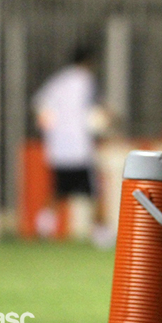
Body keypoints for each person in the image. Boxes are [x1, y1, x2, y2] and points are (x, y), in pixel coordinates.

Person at [32, 45, 111, 243]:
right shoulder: (86, 80)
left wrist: (50, 130)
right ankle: (102, 235)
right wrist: (107, 118)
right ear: (88, 62)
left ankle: (43, 228)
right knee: (95, 193)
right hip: (79, 147)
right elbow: (95, 113)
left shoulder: (58, 81)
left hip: (58, 148)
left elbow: (39, 106)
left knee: (58, 191)